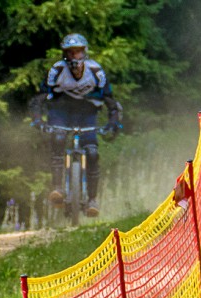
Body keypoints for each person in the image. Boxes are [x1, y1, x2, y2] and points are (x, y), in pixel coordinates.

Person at [30, 33, 123, 217]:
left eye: (78, 52)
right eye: (70, 53)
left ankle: (92, 200)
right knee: (57, 137)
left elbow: (111, 102)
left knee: (93, 153)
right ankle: (57, 188)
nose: (75, 57)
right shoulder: (56, 70)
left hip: (87, 113)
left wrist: (113, 124)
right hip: (60, 112)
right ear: (65, 54)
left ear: (85, 52)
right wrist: (38, 121)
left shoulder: (96, 71)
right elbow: (39, 99)